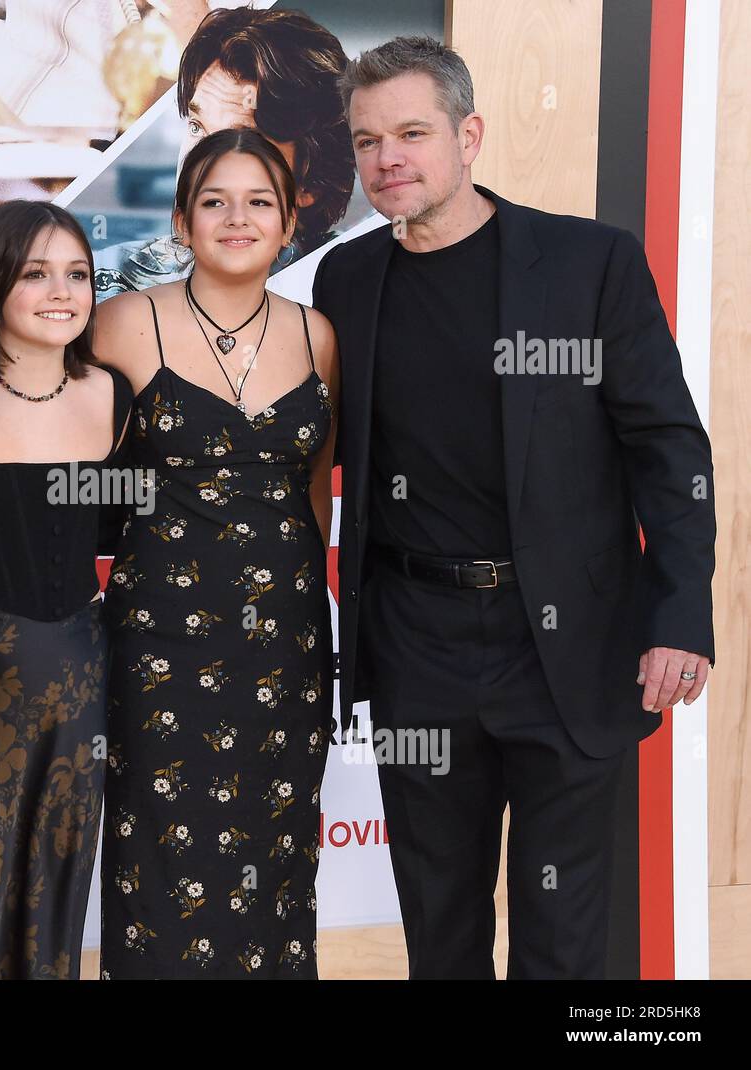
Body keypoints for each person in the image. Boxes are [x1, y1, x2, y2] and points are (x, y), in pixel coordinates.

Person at [311, 36, 717, 979]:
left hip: (567, 648)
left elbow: (669, 450)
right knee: (439, 931)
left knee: (563, 939)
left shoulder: (589, 264)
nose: (388, 160)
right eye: (368, 141)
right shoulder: (347, 280)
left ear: (471, 135)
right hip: (418, 646)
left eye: (412, 133)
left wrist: (680, 615)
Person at [95, 127, 339, 978]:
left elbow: (314, 491)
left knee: (275, 864)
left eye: (259, 202)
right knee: (160, 861)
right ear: (180, 218)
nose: (237, 218)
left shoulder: (317, 336)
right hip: (161, 640)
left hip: (287, 642)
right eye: (215, 200)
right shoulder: (123, 323)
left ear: (288, 221)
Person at [0, 200, 132, 979]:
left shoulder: (114, 399)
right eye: (35, 273)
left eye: (76, 274)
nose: (61, 291)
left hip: (82, 675)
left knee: (59, 873)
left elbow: (123, 532)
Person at [93, 6, 354, 300]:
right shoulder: (104, 279)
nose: (196, 164)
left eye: (236, 142)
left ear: (311, 184)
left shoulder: (350, 292)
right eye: (197, 128)